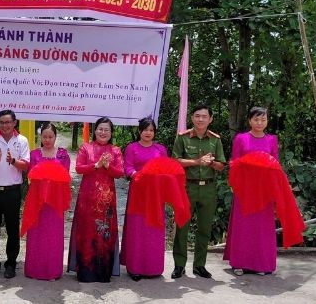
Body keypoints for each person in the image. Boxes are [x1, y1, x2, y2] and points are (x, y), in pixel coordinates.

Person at [224, 107, 285, 275]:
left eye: (263, 120)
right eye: (256, 120)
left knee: (262, 228)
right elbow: (234, 163)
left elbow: (275, 165)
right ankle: (239, 263)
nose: (259, 123)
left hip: (264, 190)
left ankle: (262, 264)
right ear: (250, 121)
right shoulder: (241, 139)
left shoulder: (272, 140)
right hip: (245, 189)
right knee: (243, 226)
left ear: (267, 121)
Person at [171, 104, 226, 279]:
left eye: (204, 116)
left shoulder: (215, 140)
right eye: (197, 116)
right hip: (187, 187)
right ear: (192, 118)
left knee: (204, 228)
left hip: (208, 188)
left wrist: (211, 163)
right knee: (182, 227)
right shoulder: (183, 138)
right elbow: (175, 161)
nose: (200, 119)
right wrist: (197, 162)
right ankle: (179, 266)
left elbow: (221, 166)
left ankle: (199, 266)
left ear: (210, 119)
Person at [68, 117, 124, 283]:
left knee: (104, 234)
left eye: (107, 129)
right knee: (87, 231)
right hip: (88, 197)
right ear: (94, 130)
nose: (103, 132)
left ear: (111, 132)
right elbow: (78, 168)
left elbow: (120, 172)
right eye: (100, 129)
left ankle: (102, 272)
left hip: (106, 199)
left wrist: (108, 167)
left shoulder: (115, 150)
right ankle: (86, 271)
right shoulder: (86, 147)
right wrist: (96, 165)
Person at [0, 110, 30, 279]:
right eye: (1, 122)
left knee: (12, 229)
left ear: (14, 123)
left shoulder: (22, 140)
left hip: (13, 191)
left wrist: (13, 161)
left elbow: (26, 166)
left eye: (8, 122)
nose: (5, 125)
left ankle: (10, 264)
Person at [120, 117, 169, 280]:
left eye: (151, 130)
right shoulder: (131, 148)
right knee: (137, 229)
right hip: (138, 193)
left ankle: (154, 267)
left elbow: (165, 169)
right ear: (140, 131)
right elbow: (127, 167)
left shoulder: (161, 149)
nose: (148, 133)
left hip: (155, 194)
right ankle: (135, 268)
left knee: (154, 229)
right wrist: (137, 175)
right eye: (145, 129)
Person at [23, 123, 71, 280]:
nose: (48, 139)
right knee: (37, 233)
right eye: (45, 137)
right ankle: (34, 269)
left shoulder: (63, 155)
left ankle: (52, 270)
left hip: (55, 200)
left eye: (51, 137)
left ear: (55, 137)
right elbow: (30, 174)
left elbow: (65, 177)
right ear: (40, 137)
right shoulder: (34, 154)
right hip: (37, 199)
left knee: (53, 235)